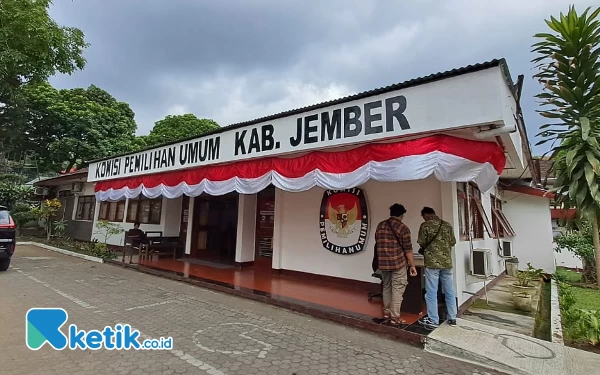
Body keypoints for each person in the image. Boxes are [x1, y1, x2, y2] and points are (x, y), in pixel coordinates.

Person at [374, 203, 418, 325]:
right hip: (398, 263)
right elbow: (408, 249)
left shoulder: (380, 225)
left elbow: (377, 241)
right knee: (398, 289)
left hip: (383, 263)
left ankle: (387, 313)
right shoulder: (403, 228)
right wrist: (413, 265)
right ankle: (395, 317)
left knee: (386, 288)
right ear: (402, 215)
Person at [417, 207, 457, 330]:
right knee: (449, 291)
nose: (424, 219)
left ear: (426, 215)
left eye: (424, 217)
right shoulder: (447, 225)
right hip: (447, 263)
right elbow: (453, 242)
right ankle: (452, 317)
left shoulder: (425, 226)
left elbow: (422, 242)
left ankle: (433, 319)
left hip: (432, 264)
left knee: (431, 292)